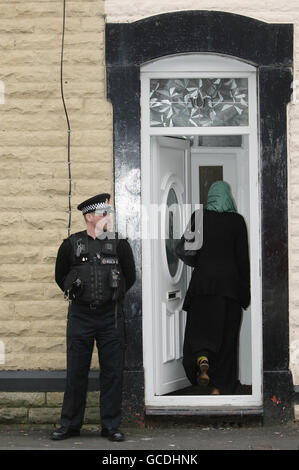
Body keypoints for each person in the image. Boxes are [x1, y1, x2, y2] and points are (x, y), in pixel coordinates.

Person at [50, 193, 136, 441]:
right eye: (103, 213)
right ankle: (70, 425)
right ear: (89, 217)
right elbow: (60, 276)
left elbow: (129, 277)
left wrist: (112, 296)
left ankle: (110, 426)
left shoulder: (119, 244)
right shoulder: (71, 244)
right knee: (76, 371)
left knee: (112, 372)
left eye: (109, 213)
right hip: (80, 316)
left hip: (111, 317)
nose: (108, 217)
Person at [179, 181, 250, 395]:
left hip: (202, 288)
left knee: (199, 333)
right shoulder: (237, 222)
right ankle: (220, 387)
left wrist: (201, 263)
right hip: (229, 290)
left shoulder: (199, 217)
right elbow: (242, 260)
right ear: (228, 197)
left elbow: (184, 249)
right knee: (227, 340)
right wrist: (245, 294)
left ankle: (203, 360)